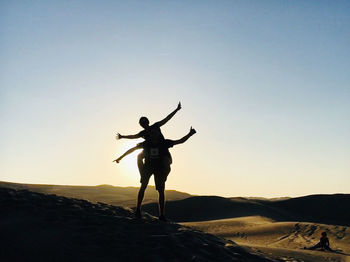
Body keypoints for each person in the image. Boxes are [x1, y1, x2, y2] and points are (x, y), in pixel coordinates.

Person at [114, 127, 196, 221]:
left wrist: (190, 134)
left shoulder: (164, 143)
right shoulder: (146, 144)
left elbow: (180, 141)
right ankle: (138, 210)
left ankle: (161, 215)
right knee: (143, 186)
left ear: (158, 134)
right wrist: (120, 157)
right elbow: (132, 149)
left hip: (160, 168)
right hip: (148, 167)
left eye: (155, 133)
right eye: (152, 133)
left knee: (161, 191)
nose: (153, 135)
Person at [116, 102, 181, 176]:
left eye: (144, 123)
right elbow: (133, 137)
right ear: (141, 125)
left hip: (162, 149)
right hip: (150, 150)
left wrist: (176, 110)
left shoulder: (155, 126)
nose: (143, 124)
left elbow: (167, 118)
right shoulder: (143, 133)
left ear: (147, 122)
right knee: (139, 156)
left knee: (164, 162)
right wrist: (122, 137)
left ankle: (162, 174)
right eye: (142, 123)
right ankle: (143, 175)